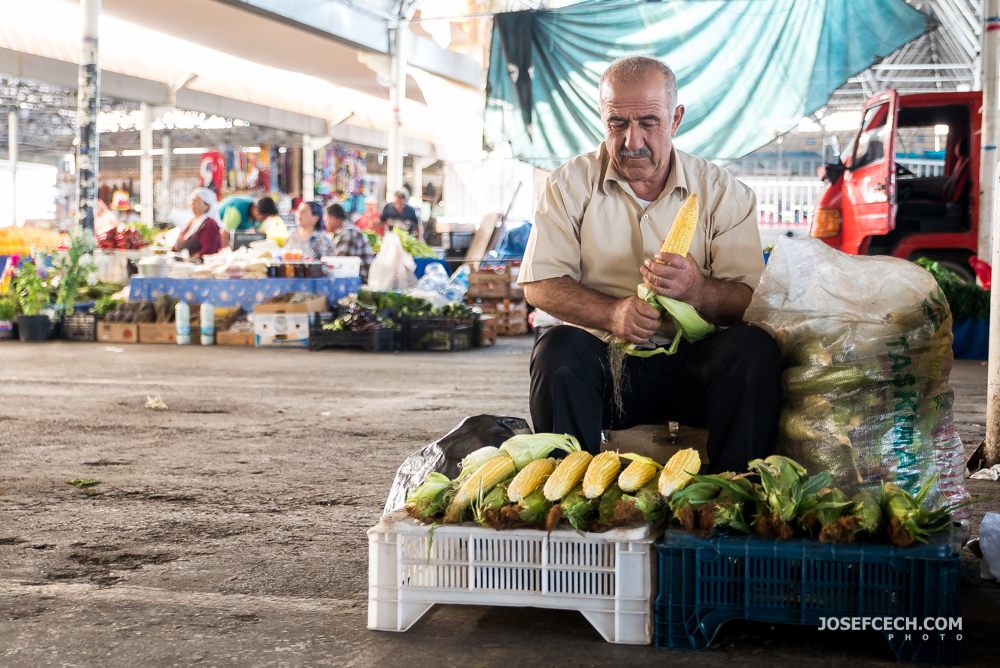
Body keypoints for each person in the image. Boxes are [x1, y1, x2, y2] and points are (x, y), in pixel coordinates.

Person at [518, 56, 780, 472]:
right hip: (607, 368)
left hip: (694, 370)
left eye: (649, 122)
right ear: (602, 119)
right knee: (557, 350)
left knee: (754, 350)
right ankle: (565, 491)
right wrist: (611, 313)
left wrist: (699, 291)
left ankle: (737, 490)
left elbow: (750, 300)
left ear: (675, 119)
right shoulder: (568, 184)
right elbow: (540, 283)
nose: (631, 141)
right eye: (618, 124)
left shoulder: (724, 192)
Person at [325, 203, 375, 283]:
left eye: (326, 220)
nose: (325, 224)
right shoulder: (341, 233)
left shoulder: (348, 232)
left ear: (333, 219)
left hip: (360, 281)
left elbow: (340, 263)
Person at [172, 188, 223, 260]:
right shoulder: (190, 222)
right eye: (192, 201)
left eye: (197, 201)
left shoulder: (210, 224)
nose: (192, 204)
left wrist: (189, 260)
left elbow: (208, 250)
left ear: (207, 206)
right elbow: (179, 242)